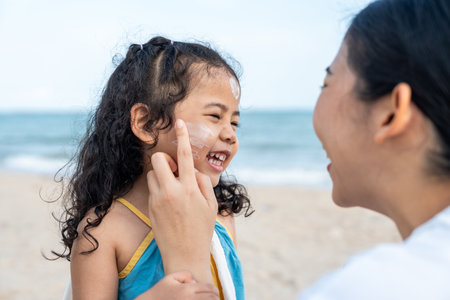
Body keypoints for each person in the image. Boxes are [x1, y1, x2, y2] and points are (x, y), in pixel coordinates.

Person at [146, 0, 450, 299]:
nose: (230, 134)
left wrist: (187, 263)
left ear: (391, 114)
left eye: (326, 83)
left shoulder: (375, 288)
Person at [54, 36, 252, 300]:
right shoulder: (103, 231)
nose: (230, 134)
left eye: (235, 122)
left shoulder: (220, 215)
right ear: (146, 123)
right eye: (215, 116)